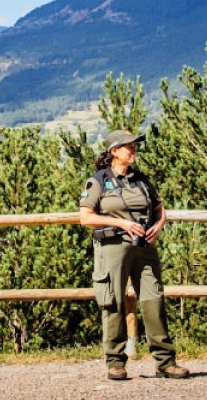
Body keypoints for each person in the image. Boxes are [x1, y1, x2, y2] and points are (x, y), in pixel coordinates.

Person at [79, 129, 189, 381]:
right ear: (114, 152)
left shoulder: (141, 180)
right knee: (113, 302)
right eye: (128, 146)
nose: (133, 150)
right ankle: (116, 362)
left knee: (154, 301)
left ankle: (165, 361)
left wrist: (158, 228)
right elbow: (85, 217)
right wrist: (122, 224)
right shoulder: (97, 181)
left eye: (134, 146)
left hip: (144, 248)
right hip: (112, 248)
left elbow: (160, 209)